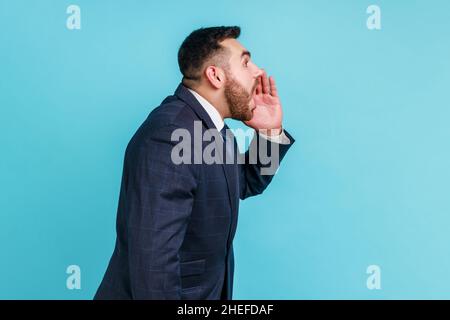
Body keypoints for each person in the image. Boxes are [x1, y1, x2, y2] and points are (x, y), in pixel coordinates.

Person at [94, 26, 295, 300]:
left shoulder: (213, 128)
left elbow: (245, 183)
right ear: (215, 75)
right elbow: (153, 265)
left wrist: (270, 132)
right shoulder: (169, 136)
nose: (259, 72)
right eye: (246, 62)